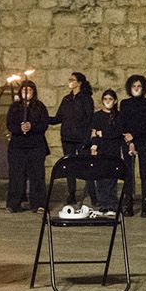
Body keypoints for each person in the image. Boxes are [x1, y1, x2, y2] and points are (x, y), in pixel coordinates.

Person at [50, 72, 94, 207]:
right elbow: (58, 118)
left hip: (81, 139)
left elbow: (89, 119)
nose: (70, 81)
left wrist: (88, 138)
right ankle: (71, 194)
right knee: (69, 167)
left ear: (79, 83)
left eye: (72, 80)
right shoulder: (66, 99)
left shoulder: (86, 99)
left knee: (86, 167)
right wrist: (42, 118)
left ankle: (93, 194)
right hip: (68, 138)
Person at [6, 79, 50, 213]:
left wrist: (32, 126)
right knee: (17, 176)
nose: (27, 93)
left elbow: (44, 124)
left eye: (30, 90)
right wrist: (20, 128)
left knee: (37, 176)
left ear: (33, 92)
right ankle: (14, 203)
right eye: (24, 90)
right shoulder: (15, 107)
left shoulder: (39, 107)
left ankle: (38, 203)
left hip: (35, 146)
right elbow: (9, 124)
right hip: (18, 146)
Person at [118, 74, 146, 216]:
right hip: (128, 141)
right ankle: (128, 204)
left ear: (143, 88)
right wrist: (129, 140)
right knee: (128, 173)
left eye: (139, 86)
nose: (136, 88)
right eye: (134, 86)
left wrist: (134, 135)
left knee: (144, 173)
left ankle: (145, 205)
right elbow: (122, 122)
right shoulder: (124, 103)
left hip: (144, 141)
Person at [88, 87, 123, 213]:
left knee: (112, 177)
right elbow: (93, 133)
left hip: (113, 149)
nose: (108, 101)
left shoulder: (118, 116)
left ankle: (112, 203)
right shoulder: (97, 116)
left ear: (115, 101)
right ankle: (104, 202)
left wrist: (103, 133)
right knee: (101, 177)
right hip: (101, 149)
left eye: (110, 99)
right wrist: (94, 146)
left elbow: (118, 132)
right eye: (105, 99)